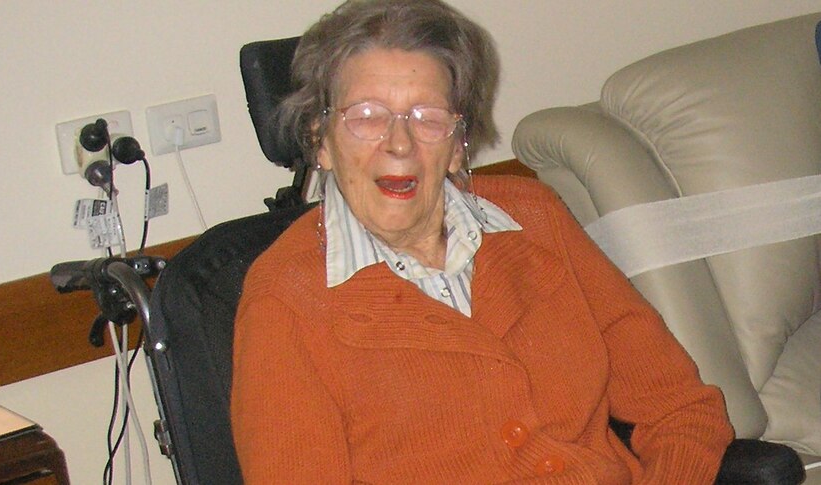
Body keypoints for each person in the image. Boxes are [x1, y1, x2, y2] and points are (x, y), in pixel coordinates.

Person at [230, 0, 734, 483]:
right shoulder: (286, 301)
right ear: (321, 139)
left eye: (427, 117)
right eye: (367, 116)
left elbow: (681, 409)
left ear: (457, 144)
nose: (399, 143)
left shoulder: (535, 220)